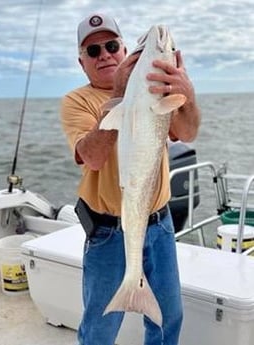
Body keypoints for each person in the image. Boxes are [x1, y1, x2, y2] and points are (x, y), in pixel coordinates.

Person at [61, 12, 201, 345]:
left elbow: (189, 131)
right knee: (100, 325)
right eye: (93, 51)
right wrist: (122, 94)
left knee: (169, 317)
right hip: (108, 233)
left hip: (161, 224)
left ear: (125, 51)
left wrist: (187, 93)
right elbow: (92, 157)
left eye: (111, 46)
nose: (105, 55)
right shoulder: (76, 102)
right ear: (82, 63)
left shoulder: (157, 90)